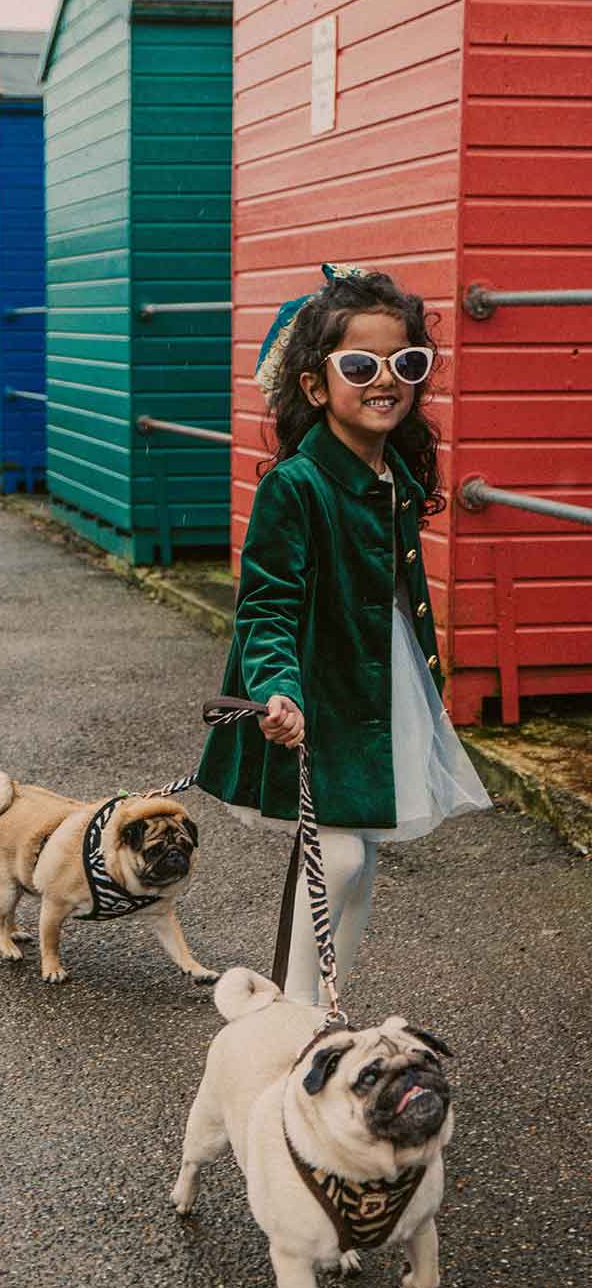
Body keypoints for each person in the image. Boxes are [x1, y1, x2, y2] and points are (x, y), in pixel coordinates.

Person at [196, 263, 491, 1005]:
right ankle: (294, 1019)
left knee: (359, 860)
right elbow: (266, 606)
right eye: (360, 364)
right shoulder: (295, 485)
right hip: (316, 687)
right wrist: (276, 688)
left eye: (407, 362)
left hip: (382, 687)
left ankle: (323, 1010)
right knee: (341, 855)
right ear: (315, 386)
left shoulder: (394, 471)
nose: (385, 379)